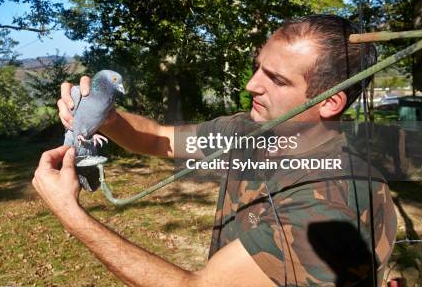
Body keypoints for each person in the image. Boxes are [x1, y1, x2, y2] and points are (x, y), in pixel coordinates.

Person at [32, 15, 397, 286]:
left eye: (277, 79)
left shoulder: (331, 205)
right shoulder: (248, 132)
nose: (252, 84)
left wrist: (70, 214)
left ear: (330, 103)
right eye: (259, 68)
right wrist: (105, 116)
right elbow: (160, 137)